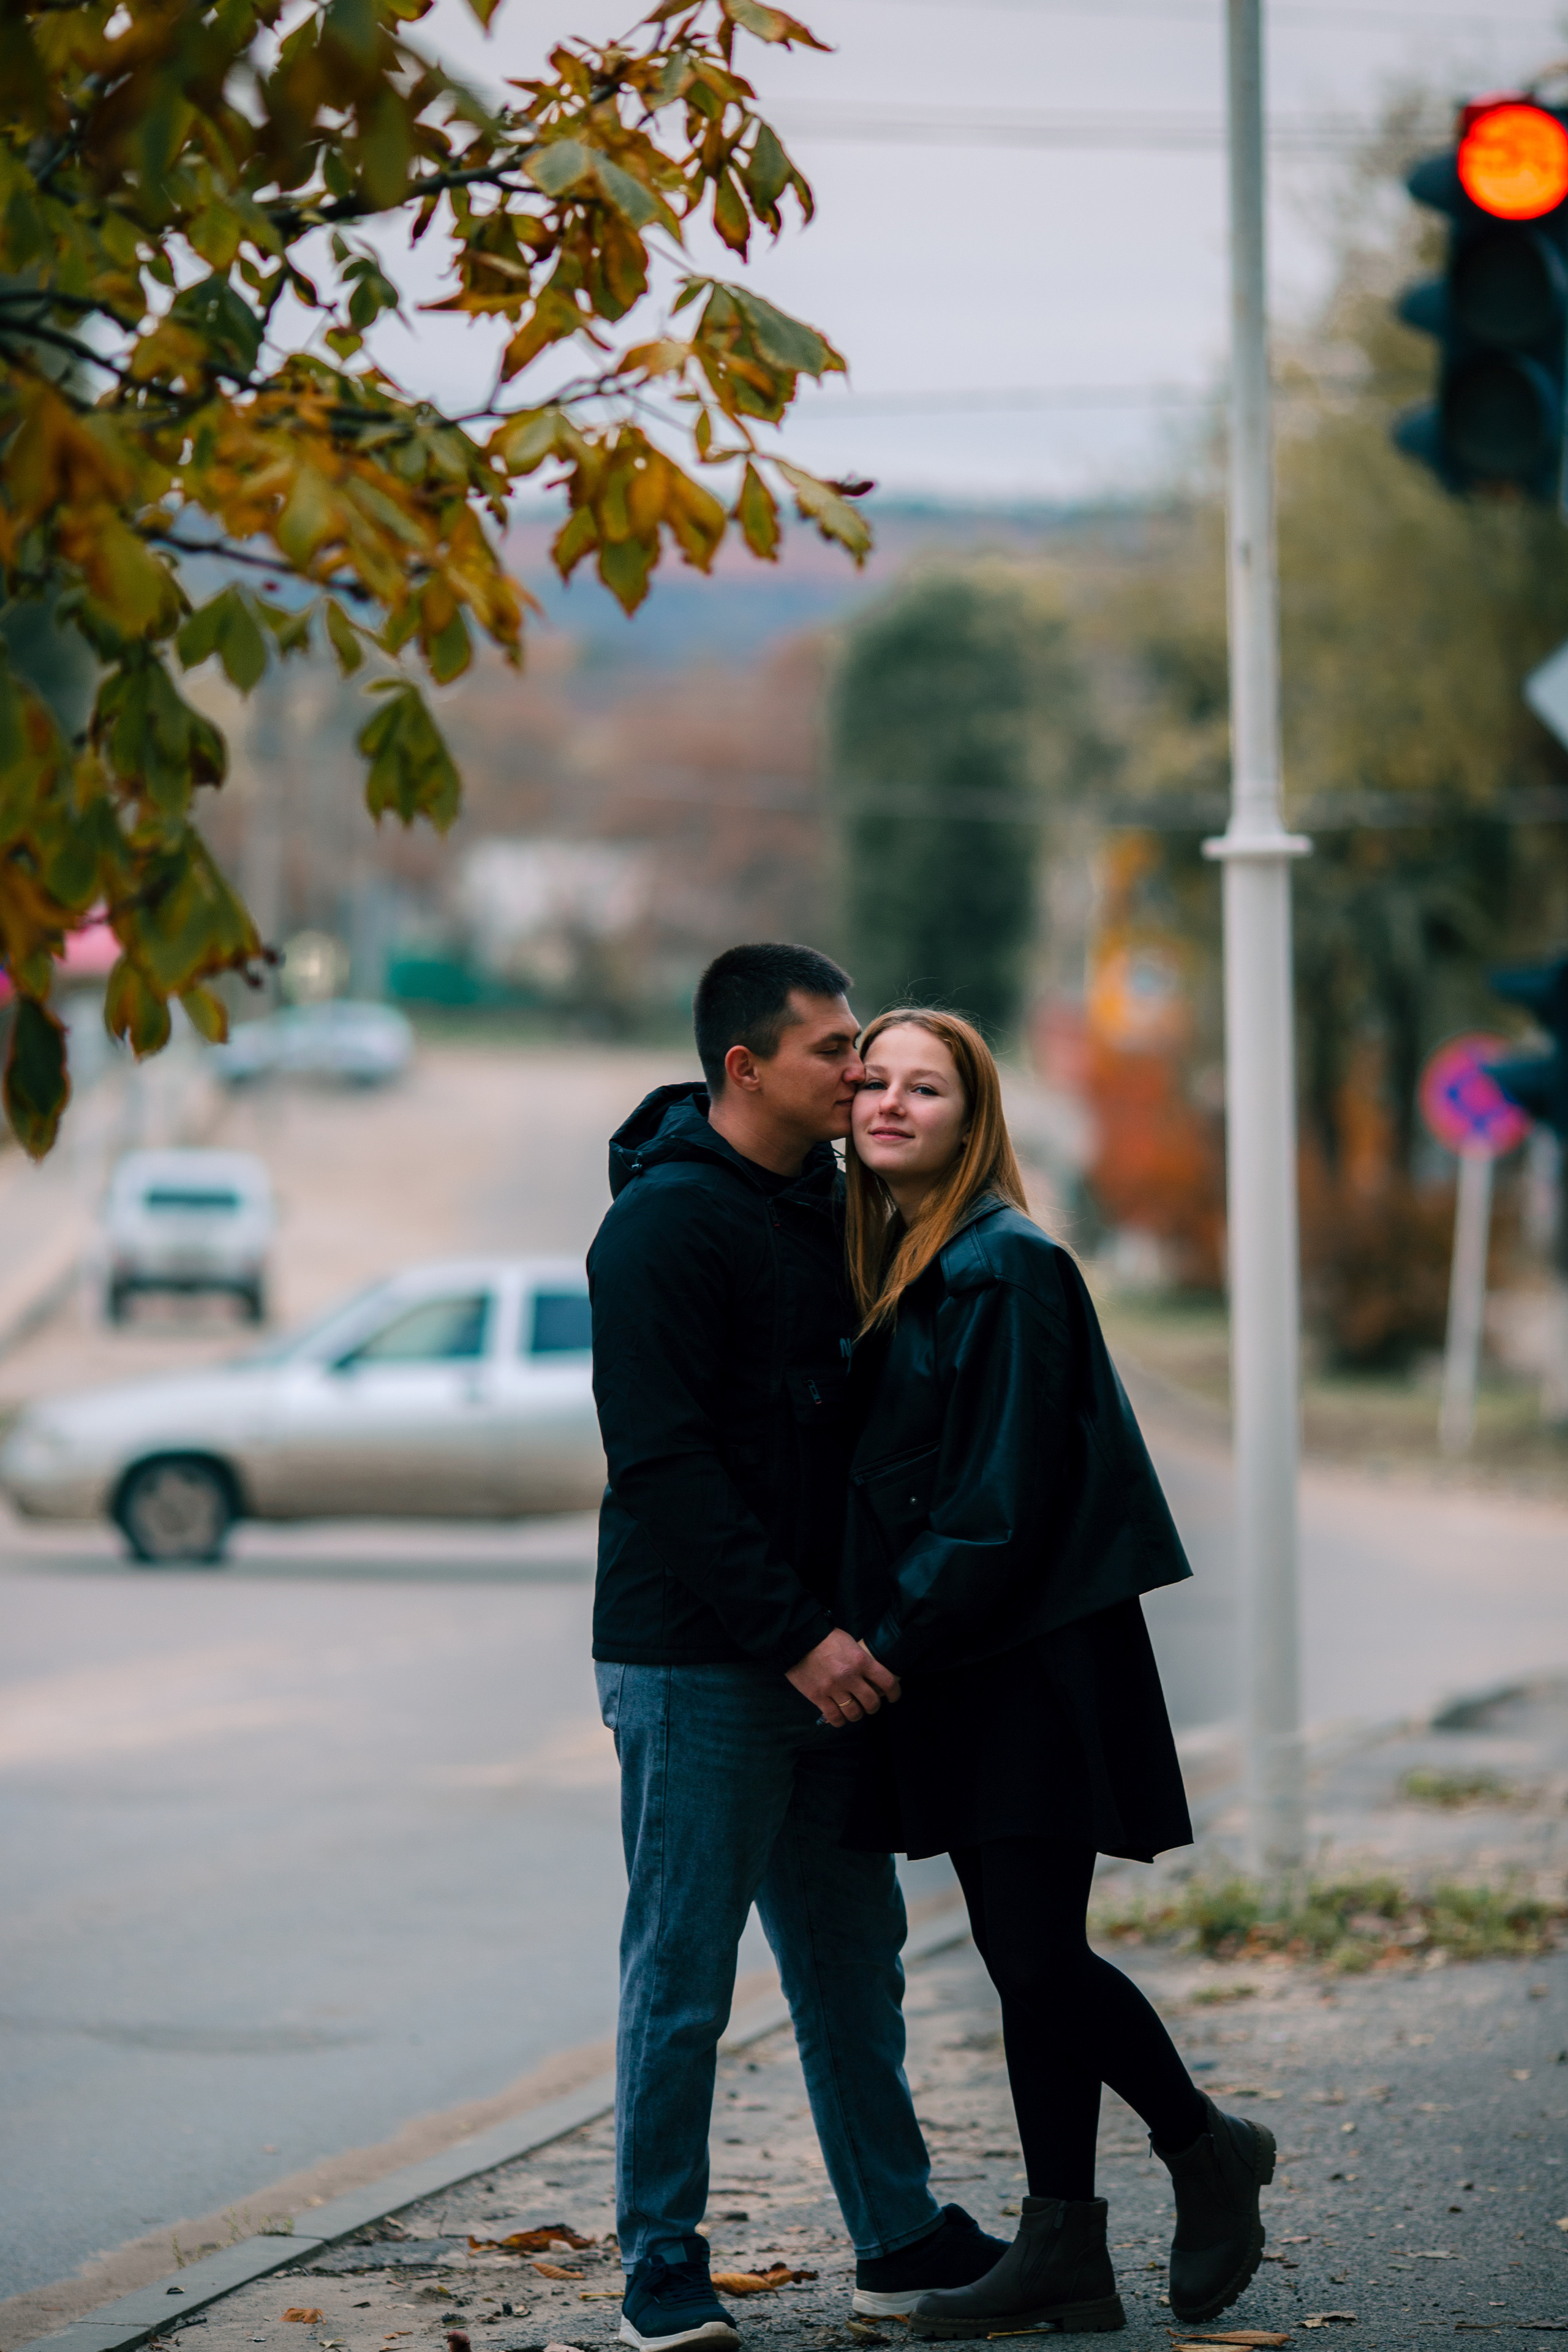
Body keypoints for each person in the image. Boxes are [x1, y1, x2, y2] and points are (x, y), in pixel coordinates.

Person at [587, 947, 1008, 2352]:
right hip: (698, 1661)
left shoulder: (832, 1209)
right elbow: (663, 1469)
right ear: (745, 1068)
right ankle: (659, 2264)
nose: (860, 1070)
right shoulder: (657, 1233)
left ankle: (897, 2236)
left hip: (829, 1664)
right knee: (683, 1975)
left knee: (849, 1963)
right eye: (836, 1050)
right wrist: (801, 1640)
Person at [836, 1007, 1276, 2341]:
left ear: (974, 1123)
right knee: (1029, 1956)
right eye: (872, 1083)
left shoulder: (1003, 1265)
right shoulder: (904, 1258)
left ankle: (1204, 2147)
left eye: (928, 1088)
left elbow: (996, 1503)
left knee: (1030, 1954)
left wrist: (882, 1649)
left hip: (1023, 1661)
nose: (892, 1106)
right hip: (973, 1656)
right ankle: (1063, 2251)